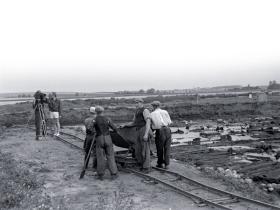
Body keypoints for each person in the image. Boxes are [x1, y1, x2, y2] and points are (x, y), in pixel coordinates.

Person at [123, 98, 152, 173]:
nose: (136, 104)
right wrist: (125, 125)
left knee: (145, 149)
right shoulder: (136, 111)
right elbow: (133, 123)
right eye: (135, 102)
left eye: (137, 102)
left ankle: (147, 167)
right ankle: (142, 165)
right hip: (138, 130)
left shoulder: (145, 110)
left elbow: (148, 122)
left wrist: (146, 134)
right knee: (139, 149)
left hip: (144, 129)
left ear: (141, 102)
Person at [94, 106, 119, 180]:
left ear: (96, 112)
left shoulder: (95, 120)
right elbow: (115, 128)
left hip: (99, 138)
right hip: (108, 138)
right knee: (110, 156)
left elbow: (89, 128)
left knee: (100, 157)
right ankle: (114, 174)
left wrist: (95, 132)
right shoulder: (107, 119)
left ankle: (100, 175)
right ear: (103, 111)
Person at [150, 101, 172, 169]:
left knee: (159, 148)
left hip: (160, 130)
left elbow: (153, 125)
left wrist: (151, 133)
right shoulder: (165, 111)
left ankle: (160, 163)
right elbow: (169, 122)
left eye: (152, 106)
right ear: (159, 106)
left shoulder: (152, 114)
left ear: (154, 106)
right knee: (167, 148)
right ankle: (167, 164)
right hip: (168, 130)